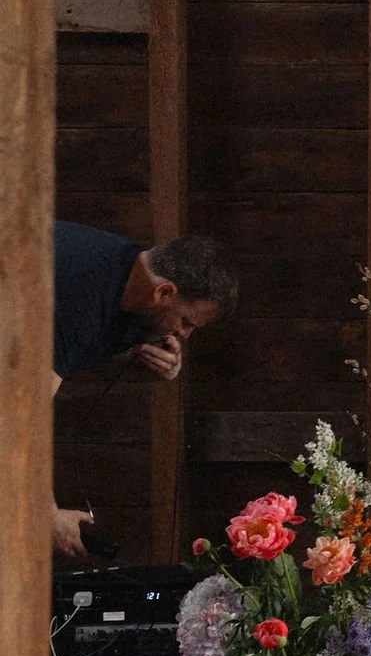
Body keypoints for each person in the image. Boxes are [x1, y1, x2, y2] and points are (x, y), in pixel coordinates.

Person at [50, 224, 236, 558]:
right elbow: (19, 417)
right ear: (164, 293)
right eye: (186, 322)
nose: (184, 334)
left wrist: (147, 356)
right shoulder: (81, 291)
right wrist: (44, 515)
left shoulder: (133, 278)